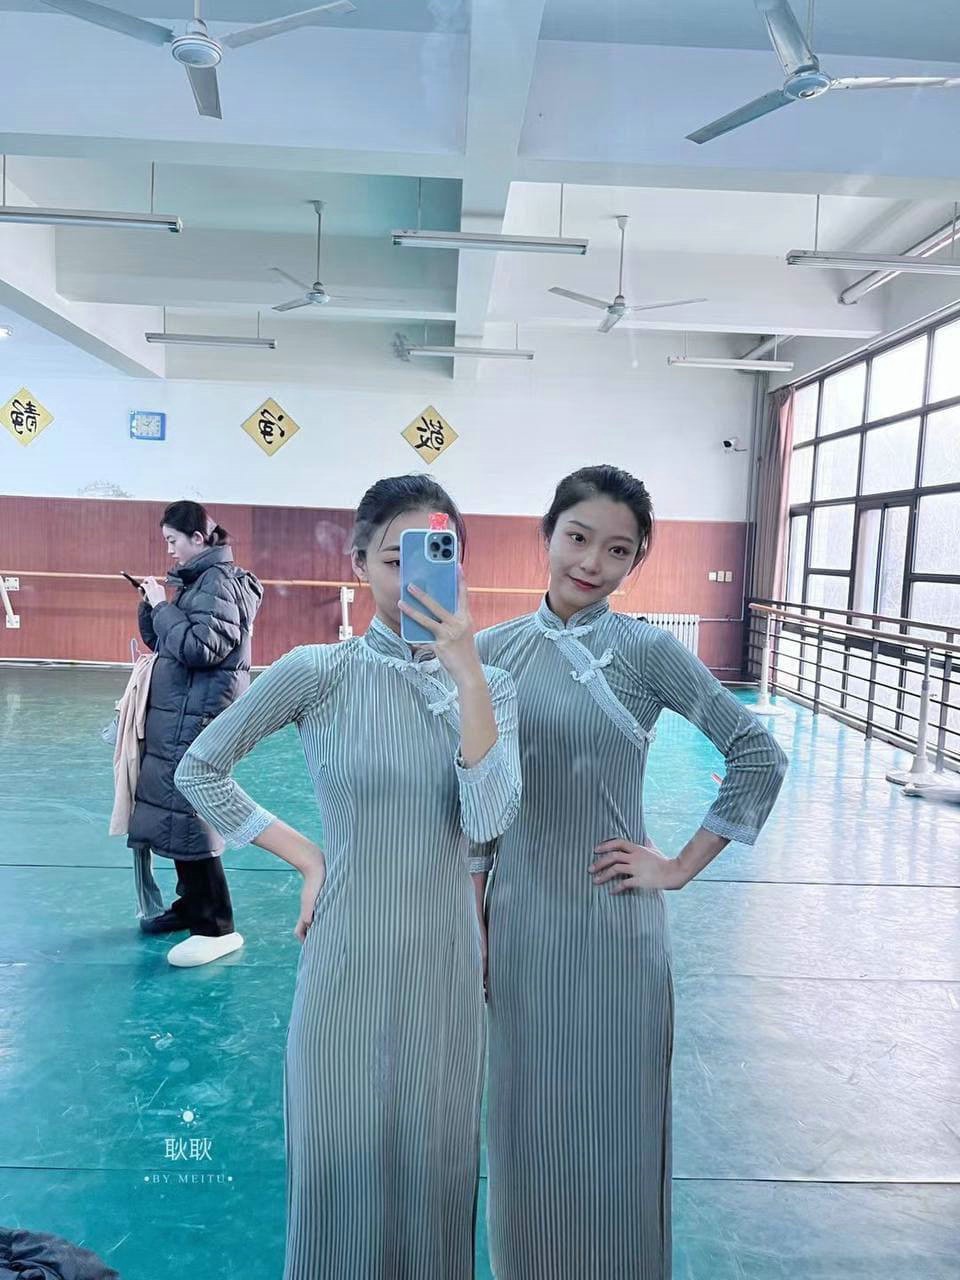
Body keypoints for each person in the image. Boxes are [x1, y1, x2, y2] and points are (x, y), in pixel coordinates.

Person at [174, 475, 521, 1279]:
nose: (414, 578)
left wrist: (468, 676)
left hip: (444, 962)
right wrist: (307, 855)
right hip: (345, 954)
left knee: (435, 1172)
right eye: (396, 559)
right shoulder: (318, 672)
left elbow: (488, 822)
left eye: (437, 557)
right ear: (359, 563)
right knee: (335, 1167)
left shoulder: (493, 687)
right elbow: (200, 769)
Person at [472, 465, 788, 1279]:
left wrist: (679, 865)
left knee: (619, 1124)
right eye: (578, 538)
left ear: (636, 560)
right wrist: (473, 918)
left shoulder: (648, 651)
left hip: (615, 927)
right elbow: (472, 802)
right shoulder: (488, 654)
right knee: (523, 1125)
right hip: (520, 924)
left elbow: (757, 754)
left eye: (618, 550)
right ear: (547, 534)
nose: (592, 562)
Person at [128, 500, 263, 969]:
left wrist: (163, 607)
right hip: (183, 708)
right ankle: (191, 905)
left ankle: (217, 925)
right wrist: (151, 605)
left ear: (198, 539)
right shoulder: (197, 581)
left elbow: (202, 647)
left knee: (190, 811)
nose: (169, 550)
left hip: (200, 713)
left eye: (173, 541)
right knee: (174, 810)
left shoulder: (220, 582)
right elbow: (164, 641)